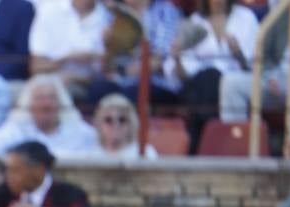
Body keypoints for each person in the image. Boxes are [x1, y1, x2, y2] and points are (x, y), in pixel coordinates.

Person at [168, 0, 257, 153]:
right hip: (198, 87)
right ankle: (211, 144)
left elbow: (256, 65)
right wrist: (176, 58)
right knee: (207, 78)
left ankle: (198, 145)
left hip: (231, 87)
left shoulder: (246, 17)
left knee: (213, 79)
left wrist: (238, 53)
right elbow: (183, 74)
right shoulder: (194, 22)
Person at [0, 74, 97, 158]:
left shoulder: (83, 133)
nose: (46, 104)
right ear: (29, 105)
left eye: (51, 98)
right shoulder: (13, 132)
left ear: (61, 104)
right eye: (40, 98)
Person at [27, 0, 113, 99]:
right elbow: (36, 67)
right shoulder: (50, 10)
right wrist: (68, 58)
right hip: (51, 83)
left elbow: (109, 74)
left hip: (90, 86)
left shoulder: (109, 17)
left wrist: (107, 48)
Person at [81, 93, 156, 160]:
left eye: (122, 120)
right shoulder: (89, 156)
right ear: (98, 124)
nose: (116, 125)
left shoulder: (145, 153)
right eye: (108, 120)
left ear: (132, 124)